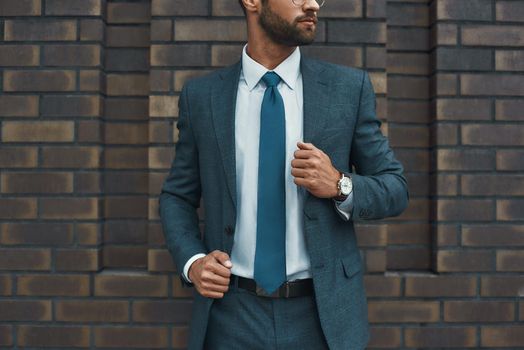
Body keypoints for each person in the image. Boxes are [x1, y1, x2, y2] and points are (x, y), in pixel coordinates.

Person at [159, 0, 408, 348]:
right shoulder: (202, 97)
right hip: (231, 316)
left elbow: (395, 187)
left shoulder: (347, 90)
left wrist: (340, 184)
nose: (313, 4)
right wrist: (194, 262)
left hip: (322, 318)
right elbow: (177, 196)